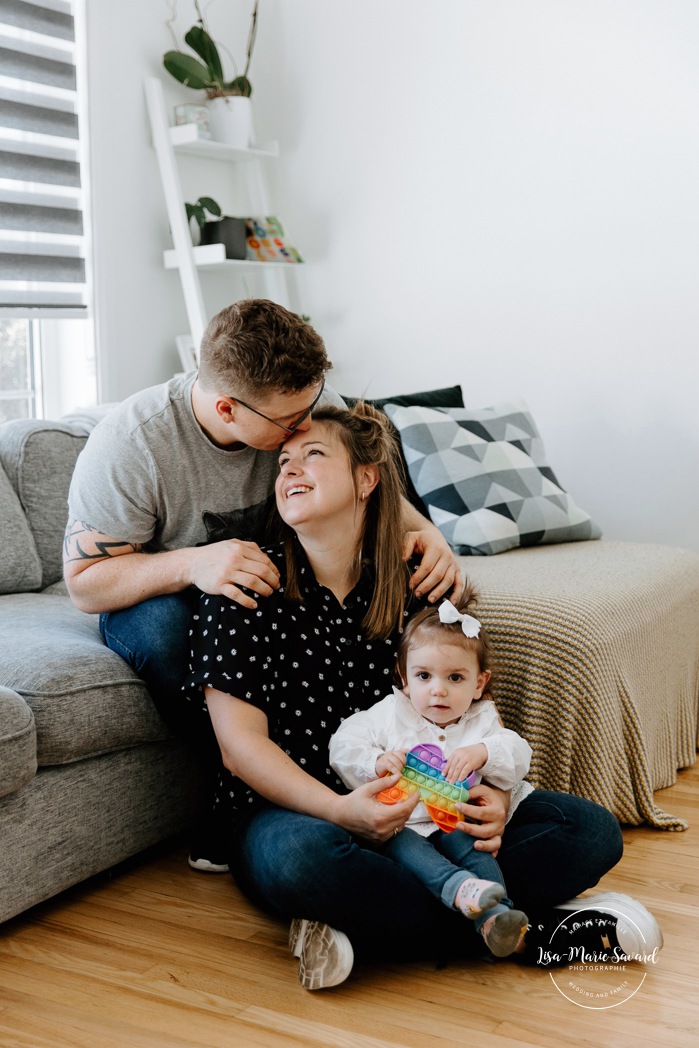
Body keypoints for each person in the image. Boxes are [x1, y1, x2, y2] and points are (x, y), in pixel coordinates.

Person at [182, 400, 662, 990]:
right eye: (282, 461)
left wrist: (496, 801)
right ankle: (534, 934)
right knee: (304, 864)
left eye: (312, 455)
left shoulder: (417, 582)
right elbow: (239, 748)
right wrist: (340, 810)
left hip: (433, 810)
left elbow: (475, 711)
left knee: (589, 831)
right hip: (302, 812)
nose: (289, 471)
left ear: (366, 479)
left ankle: (365, 934)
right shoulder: (241, 586)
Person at [62, 299, 462, 869]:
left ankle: (370, 782)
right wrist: (191, 564)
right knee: (168, 629)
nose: (303, 428)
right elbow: (83, 585)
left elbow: (370, 484)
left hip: (273, 588)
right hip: (164, 596)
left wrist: (429, 536)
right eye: (288, 424)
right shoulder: (132, 446)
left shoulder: (303, 399)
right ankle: (248, 806)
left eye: (313, 404)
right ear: (228, 408)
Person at [329, 595, 532, 958]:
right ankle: (460, 891)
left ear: (479, 684)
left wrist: (482, 752)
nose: (438, 689)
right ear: (405, 679)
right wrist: (376, 760)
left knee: (478, 850)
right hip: (401, 823)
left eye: (455, 678)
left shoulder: (482, 720)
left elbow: (519, 755)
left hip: (455, 818)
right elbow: (342, 744)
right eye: (424, 676)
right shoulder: (392, 713)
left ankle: (495, 918)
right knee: (409, 851)